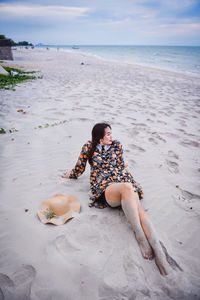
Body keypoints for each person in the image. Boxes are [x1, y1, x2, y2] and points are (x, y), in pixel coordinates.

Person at [62, 123, 181, 275]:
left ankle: (159, 254)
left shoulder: (117, 145)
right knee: (127, 187)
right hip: (105, 186)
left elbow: (120, 163)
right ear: (99, 138)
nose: (112, 137)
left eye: (111, 133)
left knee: (139, 207)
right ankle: (140, 235)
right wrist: (69, 175)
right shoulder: (88, 147)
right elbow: (79, 167)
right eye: (108, 134)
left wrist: (123, 166)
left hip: (124, 181)